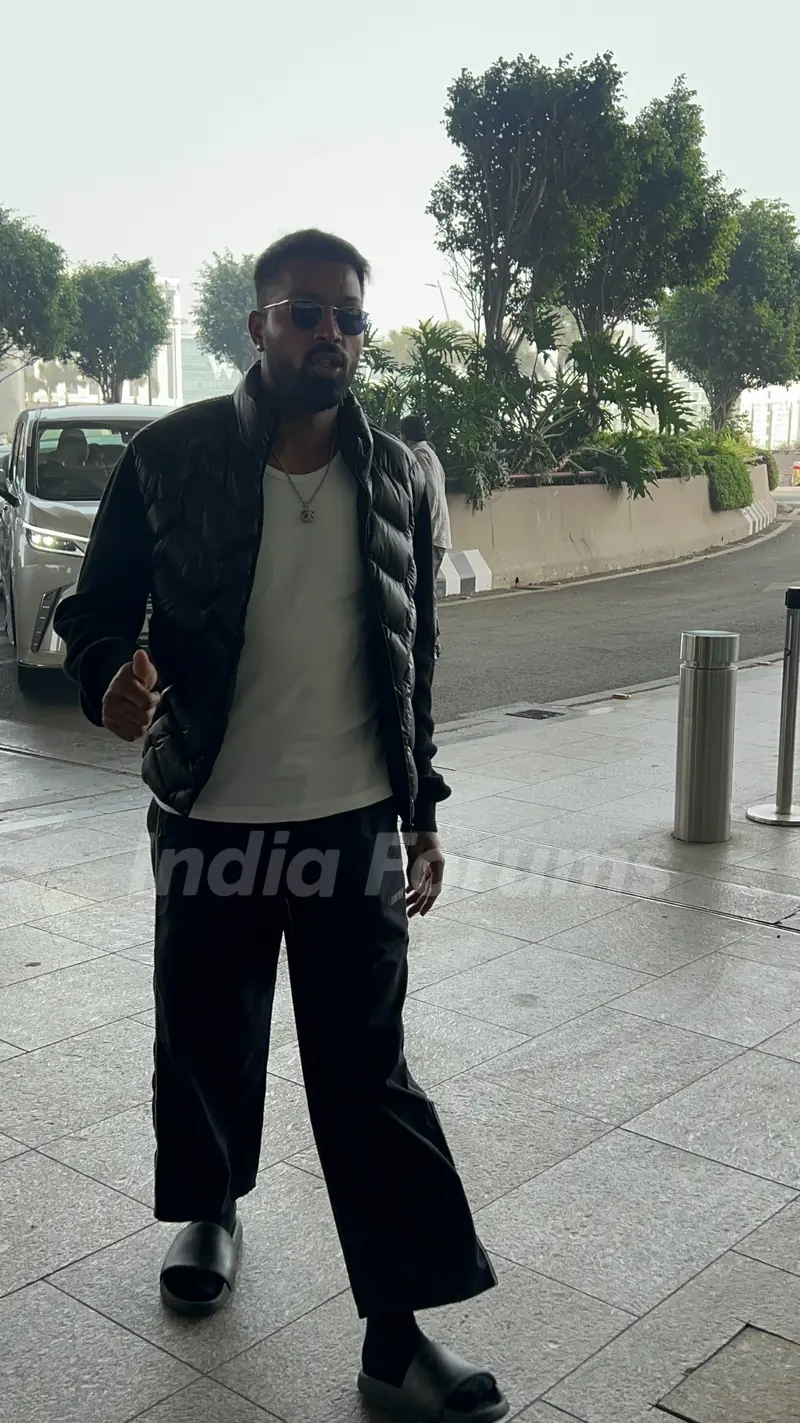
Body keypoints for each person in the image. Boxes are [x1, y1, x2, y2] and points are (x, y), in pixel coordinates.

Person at [54, 229, 506, 1422]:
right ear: (257, 324)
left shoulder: (397, 471)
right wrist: (106, 677)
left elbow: (413, 655)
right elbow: (93, 609)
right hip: (210, 812)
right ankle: (209, 1208)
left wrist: (420, 811)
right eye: (305, 312)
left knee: (369, 1073)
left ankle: (394, 1338)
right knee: (206, 1035)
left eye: (348, 317)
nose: (329, 335)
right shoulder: (171, 455)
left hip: (350, 823)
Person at [400, 415, 451, 658]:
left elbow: (430, 494)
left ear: (404, 436)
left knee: (423, 591)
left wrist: (419, 530)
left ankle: (430, 643)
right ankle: (429, 641)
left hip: (430, 537)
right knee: (423, 590)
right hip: (438, 534)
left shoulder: (419, 455)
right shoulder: (429, 454)